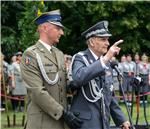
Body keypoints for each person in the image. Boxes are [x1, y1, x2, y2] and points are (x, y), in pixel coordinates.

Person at [20, 9, 82, 129]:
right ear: (44, 28)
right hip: (43, 122)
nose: (62, 32)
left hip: (61, 122)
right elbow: (37, 92)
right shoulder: (31, 54)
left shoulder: (58, 53)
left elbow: (60, 84)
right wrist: (63, 113)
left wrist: (71, 85)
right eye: (58, 28)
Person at [69, 21, 130, 129]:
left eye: (107, 39)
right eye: (103, 39)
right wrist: (106, 59)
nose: (107, 43)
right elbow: (78, 78)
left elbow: (109, 95)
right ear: (92, 42)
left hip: (103, 121)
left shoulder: (106, 63)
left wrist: (121, 119)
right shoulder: (80, 58)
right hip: (85, 123)